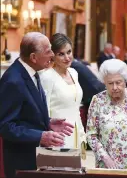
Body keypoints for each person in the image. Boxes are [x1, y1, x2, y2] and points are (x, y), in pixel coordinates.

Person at [0, 32, 74, 178]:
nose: (53, 55)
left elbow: (26, 113)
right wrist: (40, 136)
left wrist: (49, 122)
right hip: (21, 163)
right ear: (33, 57)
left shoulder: (32, 71)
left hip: (36, 160)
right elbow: (5, 126)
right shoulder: (13, 80)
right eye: (48, 51)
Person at [86, 59, 127, 169]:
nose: (115, 87)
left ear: (125, 80)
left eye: (118, 82)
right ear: (104, 83)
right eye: (110, 83)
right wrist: (105, 157)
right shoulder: (97, 100)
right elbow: (91, 135)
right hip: (109, 165)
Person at [40, 33, 86, 153]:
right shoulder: (47, 77)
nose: (67, 57)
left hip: (76, 134)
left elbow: (76, 108)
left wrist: (82, 135)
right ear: (52, 56)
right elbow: (43, 111)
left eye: (69, 52)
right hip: (57, 137)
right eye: (61, 54)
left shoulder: (74, 73)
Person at [70, 59, 105, 130]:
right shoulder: (78, 63)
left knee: (93, 123)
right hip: (98, 89)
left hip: (92, 93)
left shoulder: (71, 67)